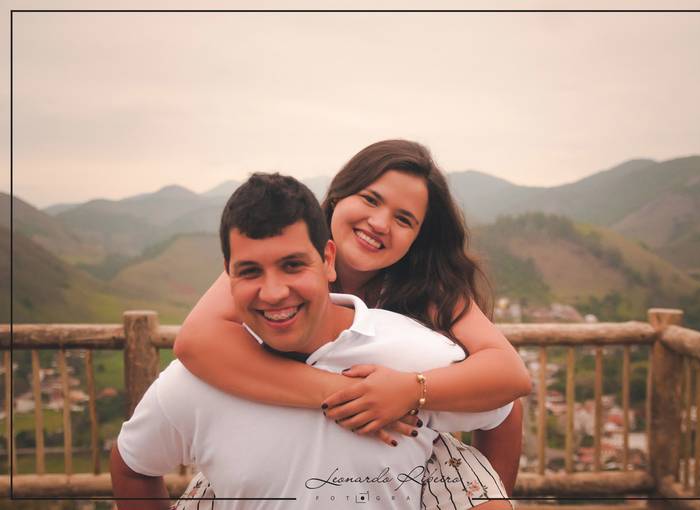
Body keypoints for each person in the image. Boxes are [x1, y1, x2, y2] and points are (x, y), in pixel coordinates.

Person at [111, 173, 513, 510]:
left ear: (326, 260)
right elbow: (195, 342)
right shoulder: (274, 245)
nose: (379, 223)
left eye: (404, 219)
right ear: (336, 200)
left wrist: (410, 390)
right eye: (371, 199)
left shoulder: (426, 304)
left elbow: (505, 389)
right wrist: (346, 393)